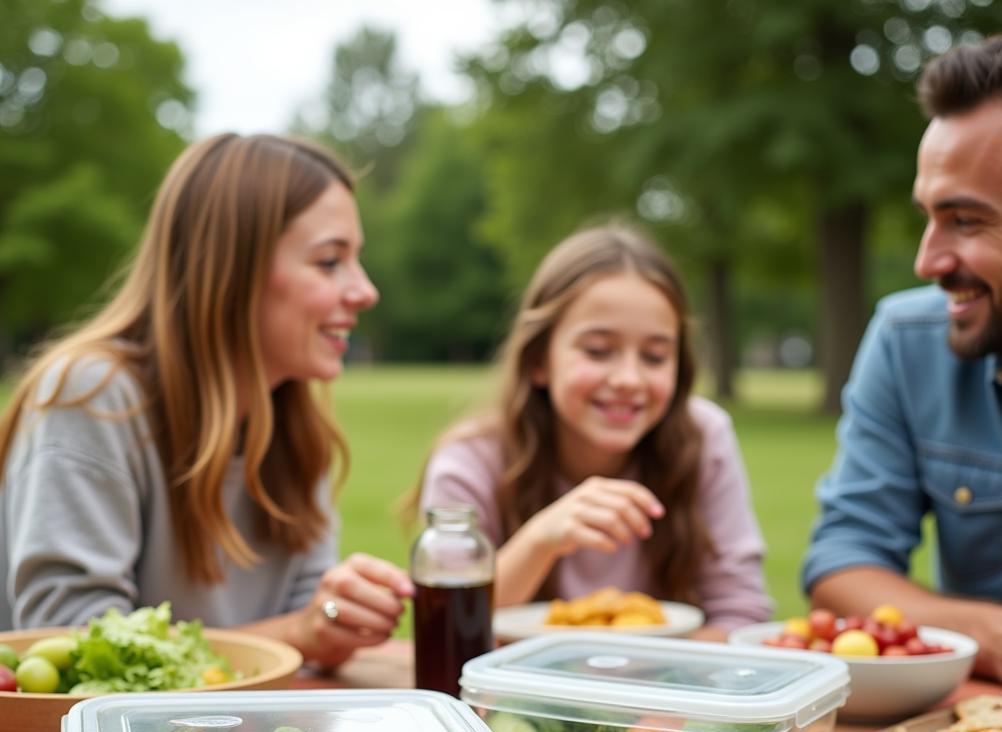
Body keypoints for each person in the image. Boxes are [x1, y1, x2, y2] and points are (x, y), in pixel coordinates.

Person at [0, 133, 412, 666]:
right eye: (330, 262)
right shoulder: (91, 396)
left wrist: (339, 616)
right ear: (233, 272)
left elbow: (309, 642)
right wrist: (298, 633)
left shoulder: (292, 417)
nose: (365, 291)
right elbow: (73, 652)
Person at [412, 223, 772, 639]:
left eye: (655, 356)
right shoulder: (470, 460)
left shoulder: (704, 438)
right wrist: (540, 541)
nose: (629, 379)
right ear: (538, 361)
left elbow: (741, 615)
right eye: (598, 351)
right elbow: (447, 632)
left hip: (665, 696)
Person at [802, 34, 1002, 690]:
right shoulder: (909, 338)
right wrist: (993, 633)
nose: (928, 262)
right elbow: (843, 564)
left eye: (965, 220)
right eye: (929, 216)